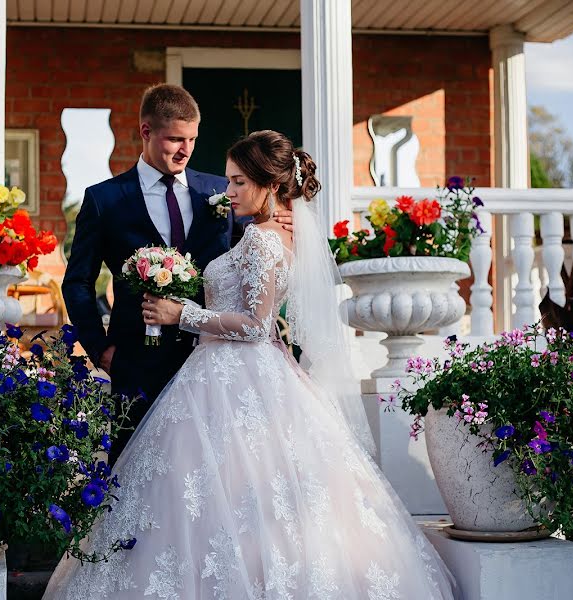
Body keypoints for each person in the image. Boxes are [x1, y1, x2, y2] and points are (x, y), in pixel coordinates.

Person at [45, 131, 456, 600]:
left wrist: (183, 314)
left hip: (231, 372)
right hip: (233, 371)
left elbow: (257, 325)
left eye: (239, 182)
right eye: (229, 181)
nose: (229, 192)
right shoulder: (269, 231)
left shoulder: (262, 239)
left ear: (268, 184)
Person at [62, 84, 291, 463]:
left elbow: (254, 249)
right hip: (136, 360)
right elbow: (78, 282)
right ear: (146, 132)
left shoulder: (221, 190)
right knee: (133, 472)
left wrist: (283, 219)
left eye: (192, 139)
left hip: (215, 361)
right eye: (174, 139)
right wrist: (100, 350)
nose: (185, 150)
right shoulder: (105, 200)